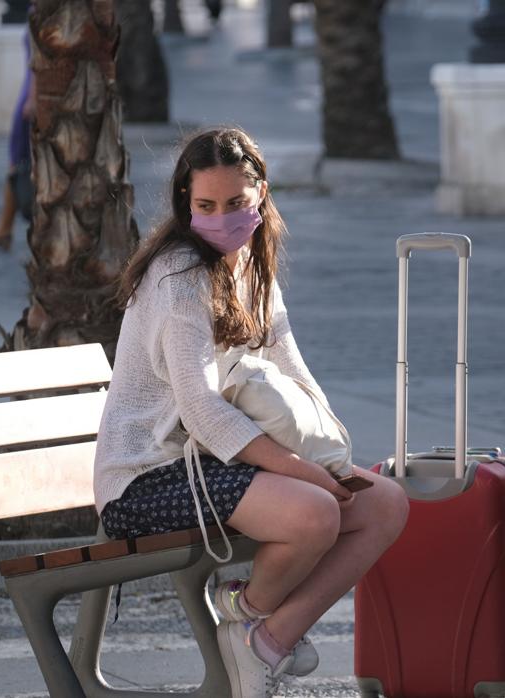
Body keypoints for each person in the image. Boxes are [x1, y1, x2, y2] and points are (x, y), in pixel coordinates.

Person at [93, 128, 408, 698]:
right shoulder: (179, 276)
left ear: (260, 193)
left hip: (216, 464)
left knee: (382, 502)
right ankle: (248, 614)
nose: (222, 218)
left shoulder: (252, 265)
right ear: (186, 206)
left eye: (236, 203)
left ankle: (262, 638)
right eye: (206, 206)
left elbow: (293, 370)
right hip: (146, 478)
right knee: (315, 512)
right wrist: (302, 472)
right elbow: (202, 410)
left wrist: (330, 454)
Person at [0, 29, 34, 252]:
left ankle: (4, 227)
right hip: (28, 95)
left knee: (20, 160)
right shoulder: (37, 10)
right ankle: (4, 227)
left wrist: (33, 98)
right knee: (17, 159)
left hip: (31, 97)